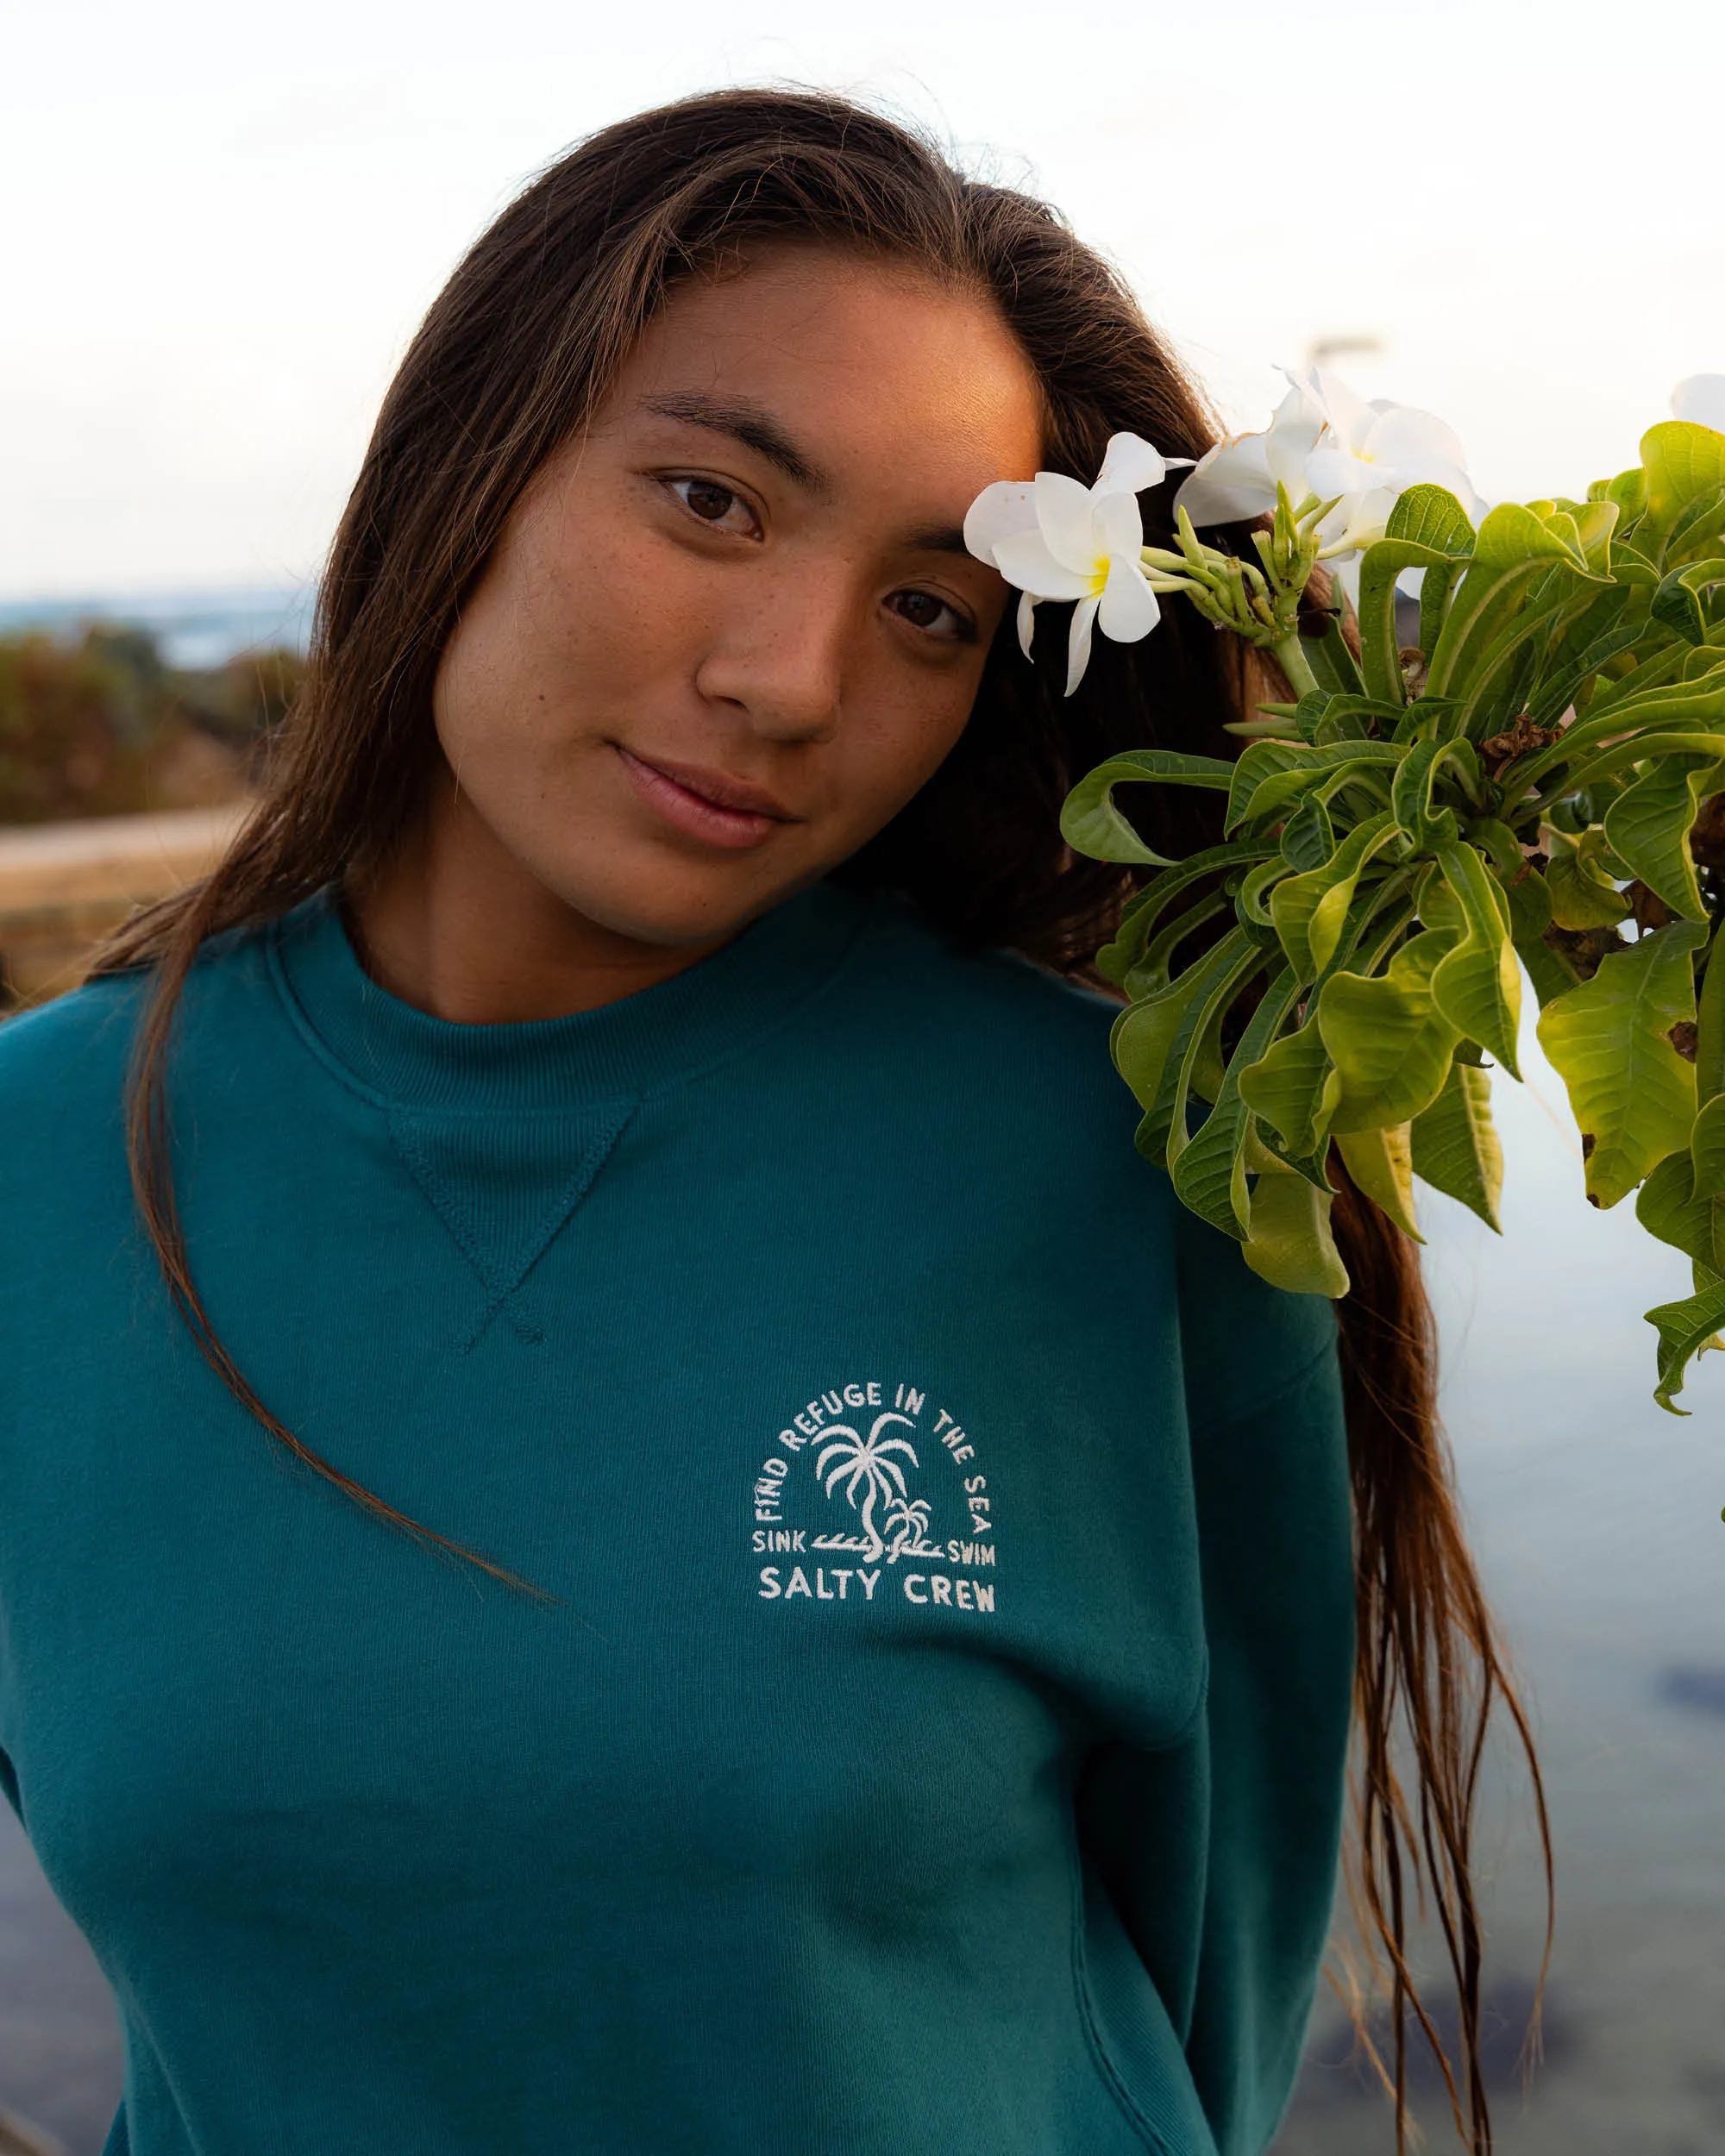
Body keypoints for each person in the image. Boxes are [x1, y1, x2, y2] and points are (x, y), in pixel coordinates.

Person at [0, 90, 1542, 2156]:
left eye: (930, 609)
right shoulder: (40, 1172)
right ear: (473, 454)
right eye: (712, 499)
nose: (793, 678)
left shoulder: (1129, 1160)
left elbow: (1208, 1974)